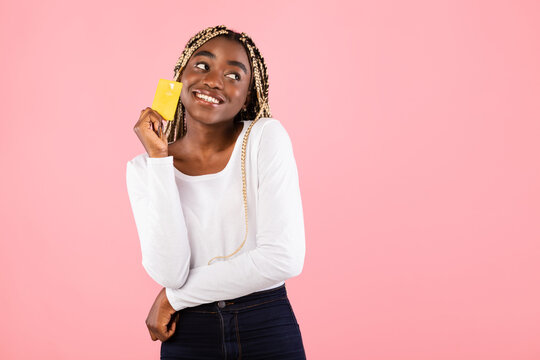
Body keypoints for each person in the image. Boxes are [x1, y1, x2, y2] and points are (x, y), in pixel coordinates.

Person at [126, 25, 306, 359]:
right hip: (188, 333)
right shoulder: (144, 168)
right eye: (203, 66)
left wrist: (172, 299)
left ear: (249, 94)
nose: (214, 81)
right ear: (179, 77)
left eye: (234, 75)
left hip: (264, 323)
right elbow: (170, 273)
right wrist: (160, 162)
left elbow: (283, 258)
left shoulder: (265, 139)